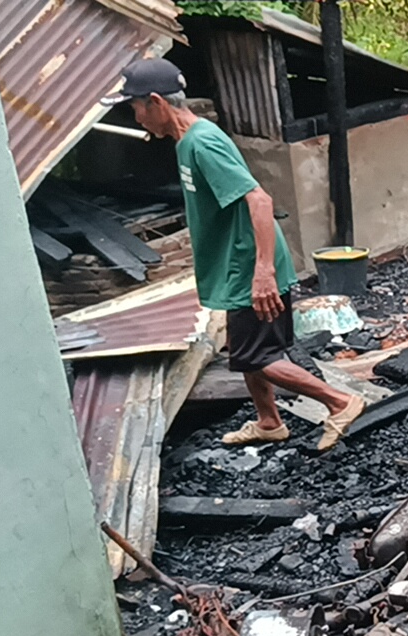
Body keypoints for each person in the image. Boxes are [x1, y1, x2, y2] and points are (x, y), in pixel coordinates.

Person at [104, 59, 365, 451]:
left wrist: (263, 273)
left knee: (258, 356)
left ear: (156, 101)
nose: (136, 116)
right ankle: (269, 421)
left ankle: (342, 402)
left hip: (250, 266)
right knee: (246, 352)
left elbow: (259, 201)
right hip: (237, 264)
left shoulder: (202, 142)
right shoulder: (187, 141)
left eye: (135, 107)